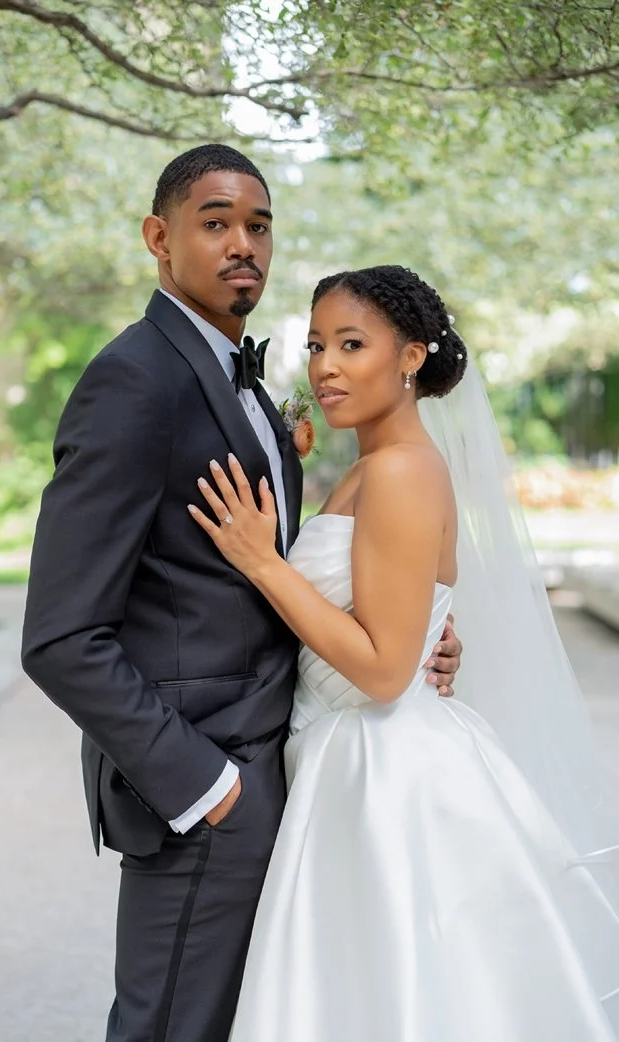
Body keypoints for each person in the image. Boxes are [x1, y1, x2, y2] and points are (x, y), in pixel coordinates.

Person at [20, 145, 464, 1042]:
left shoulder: (250, 388)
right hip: (204, 790)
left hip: (292, 766)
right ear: (159, 237)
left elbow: (286, 577)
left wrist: (419, 638)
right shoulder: (132, 380)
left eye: (257, 225)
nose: (242, 244)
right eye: (214, 222)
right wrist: (205, 785)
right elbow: (61, 635)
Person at [190, 265, 619, 1041]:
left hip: (381, 773)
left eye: (352, 344)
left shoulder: (400, 472)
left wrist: (263, 562)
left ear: (411, 356)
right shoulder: (371, 468)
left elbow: (387, 672)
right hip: (339, 752)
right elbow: (394, 614)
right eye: (318, 343)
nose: (325, 365)